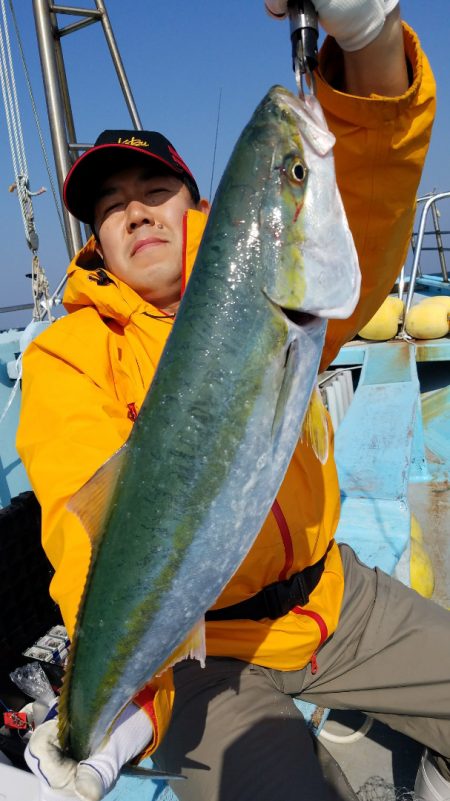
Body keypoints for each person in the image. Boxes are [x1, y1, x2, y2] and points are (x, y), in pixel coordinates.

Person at [16, 2, 449, 800]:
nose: (137, 209)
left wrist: (370, 41)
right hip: (207, 662)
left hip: (333, 596)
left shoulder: (291, 291)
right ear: (97, 241)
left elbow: (371, 191)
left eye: (156, 189)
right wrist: (122, 699)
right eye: (111, 206)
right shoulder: (67, 355)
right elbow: (89, 533)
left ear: (198, 210)